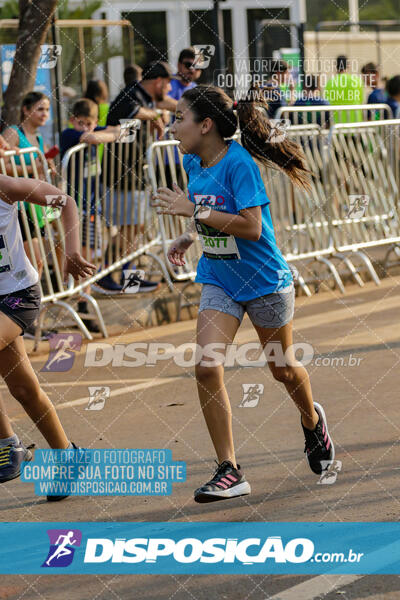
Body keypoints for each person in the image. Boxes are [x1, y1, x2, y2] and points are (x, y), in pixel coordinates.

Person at [153, 85, 335, 503]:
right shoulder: (193, 160)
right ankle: (228, 469)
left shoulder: (238, 164)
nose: (172, 125)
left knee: (283, 369)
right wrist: (188, 235)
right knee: (206, 366)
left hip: (264, 281)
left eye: (179, 118)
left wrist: (193, 212)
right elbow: (211, 211)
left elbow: (251, 227)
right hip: (220, 279)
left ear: (206, 124)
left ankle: (311, 421)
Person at [0, 174, 96, 502]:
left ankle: (8, 445)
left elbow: (65, 202)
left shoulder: (5, 186)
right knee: (24, 389)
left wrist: (70, 251)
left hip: (18, 295)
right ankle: (68, 455)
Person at [105, 61, 174, 292]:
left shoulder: (145, 96)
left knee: (135, 226)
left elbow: (162, 105)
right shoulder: (132, 93)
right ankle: (103, 273)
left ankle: (130, 277)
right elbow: (133, 111)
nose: (169, 90)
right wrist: (155, 115)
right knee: (129, 227)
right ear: (159, 81)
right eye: (167, 85)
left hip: (136, 170)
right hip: (122, 173)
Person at [3, 91, 60, 340]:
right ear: (26, 110)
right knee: (32, 265)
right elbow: (4, 165)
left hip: (37, 209)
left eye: (47, 109)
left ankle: (29, 322)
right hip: (19, 207)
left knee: (36, 265)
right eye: (40, 109)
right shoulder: (14, 133)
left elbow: (39, 171)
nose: (44, 114)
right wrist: (32, 167)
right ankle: (25, 323)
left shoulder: (40, 138)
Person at [61, 98, 125, 311]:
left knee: (89, 249)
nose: (86, 127)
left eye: (91, 123)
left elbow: (115, 130)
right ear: (73, 120)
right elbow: (92, 137)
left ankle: (84, 294)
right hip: (74, 204)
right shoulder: (68, 134)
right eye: (82, 123)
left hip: (91, 201)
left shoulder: (93, 129)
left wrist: (113, 132)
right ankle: (76, 293)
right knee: (79, 249)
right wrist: (112, 135)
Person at [324, 55, 364, 122]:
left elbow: (328, 104)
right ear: (348, 66)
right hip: (355, 123)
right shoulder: (357, 81)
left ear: (336, 66)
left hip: (337, 124)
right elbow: (360, 101)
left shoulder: (330, 83)